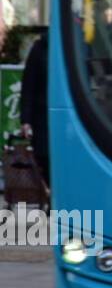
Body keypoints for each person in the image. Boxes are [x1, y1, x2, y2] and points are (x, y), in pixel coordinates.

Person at [19, 29, 49, 188]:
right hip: (42, 119)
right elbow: (28, 86)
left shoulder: (78, 46)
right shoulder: (40, 48)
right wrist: (26, 120)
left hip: (66, 121)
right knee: (44, 160)